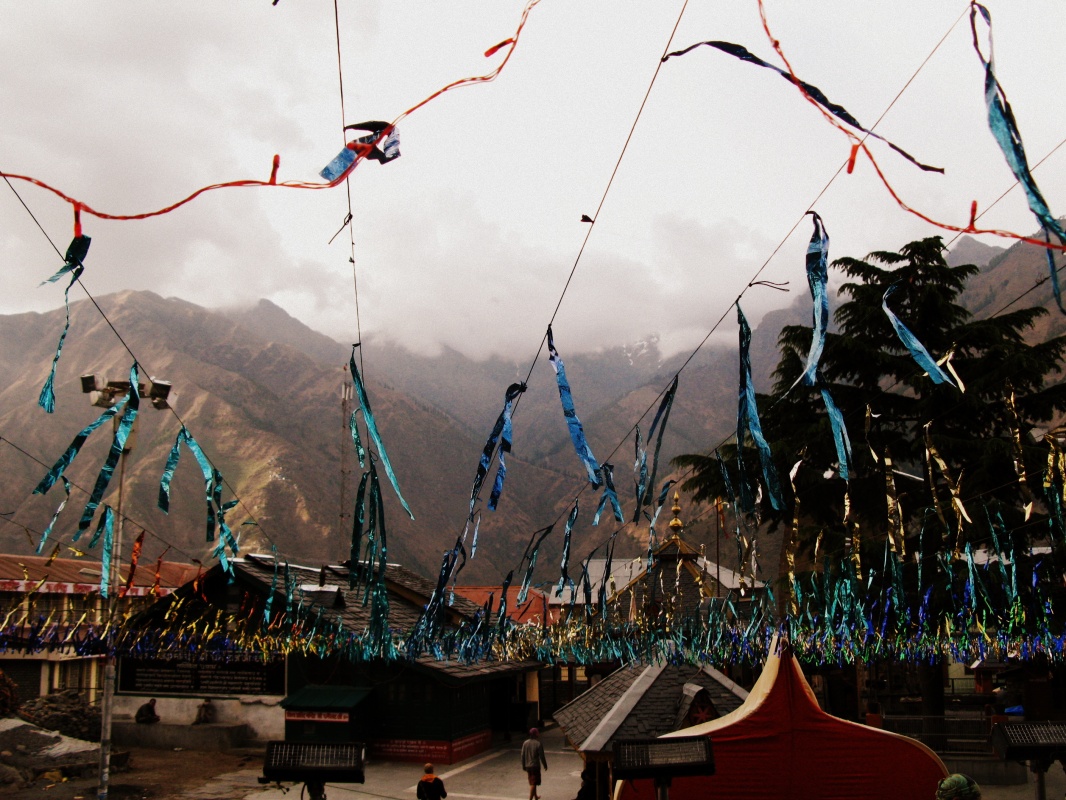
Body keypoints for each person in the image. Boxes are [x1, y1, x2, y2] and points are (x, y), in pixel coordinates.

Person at [521, 727, 548, 800]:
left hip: (528, 766)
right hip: (535, 766)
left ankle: (535, 796)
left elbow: (522, 755)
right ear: (536, 735)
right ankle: (530, 799)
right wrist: (545, 765)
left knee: (533, 781)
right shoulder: (538, 744)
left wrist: (523, 765)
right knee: (533, 783)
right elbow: (542, 756)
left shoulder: (525, 743)